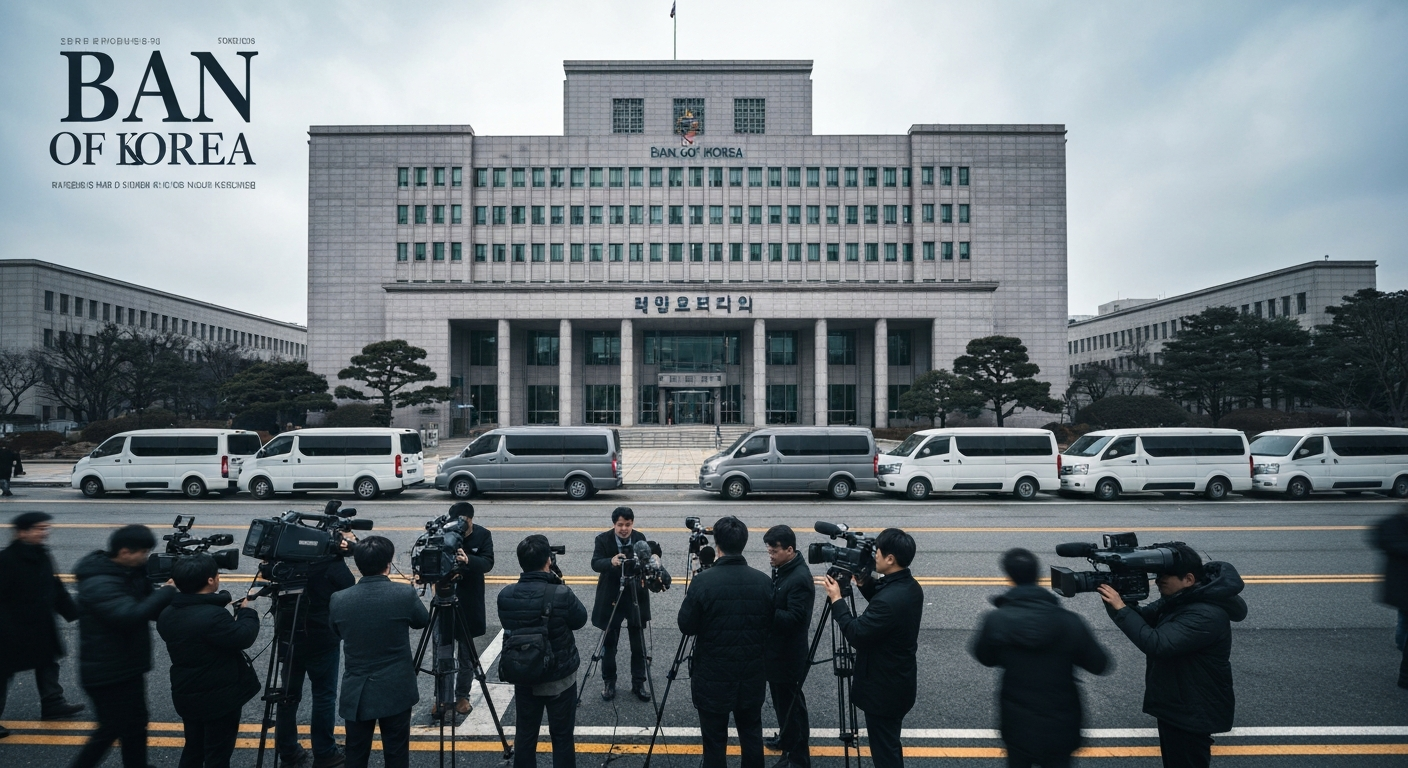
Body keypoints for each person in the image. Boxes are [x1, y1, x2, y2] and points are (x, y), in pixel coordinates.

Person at [1099, 544, 1247, 768]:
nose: (1158, 581)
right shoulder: (1183, 598)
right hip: (1178, 704)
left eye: (1165, 575)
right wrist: (1117, 597)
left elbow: (1157, 643)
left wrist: (1121, 608)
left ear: (1188, 578)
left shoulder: (1206, 614)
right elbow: (1141, 618)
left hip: (1192, 710)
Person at [971, 548, 1111, 768]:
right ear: (1038, 576)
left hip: (1017, 722)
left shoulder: (997, 620)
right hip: (1061, 723)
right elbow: (1100, 664)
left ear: (1009, 577)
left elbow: (985, 657)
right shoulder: (1069, 622)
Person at [69, 524, 178, 768]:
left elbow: (150, 610)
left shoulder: (128, 572)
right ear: (125, 552)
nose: (146, 557)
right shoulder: (98, 582)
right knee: (110, 729)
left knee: (137, 722)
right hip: (106, 672)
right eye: (143, 552)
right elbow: (128, 616)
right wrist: (166, 592)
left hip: (127, 665)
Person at [821, 528, 923, 768]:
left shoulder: (890, 600)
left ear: (890, 559)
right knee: (889, 743)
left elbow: (857, 633)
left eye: (878, 551)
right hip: (899, 682)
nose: (874, 555)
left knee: (885, 751)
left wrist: (837, 600)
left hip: (884, 690)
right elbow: (883, 603)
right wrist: (864, 582)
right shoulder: (909, 586)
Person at [678, 516, 773, 768]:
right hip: (751, 674)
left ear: (717, 545)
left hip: (713, 676)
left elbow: (686, 626)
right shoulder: (764, 581)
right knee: (751, 733)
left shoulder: (704, 582)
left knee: (714, 740)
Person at [329, 536, 429, 768]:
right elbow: (422, 620)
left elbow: (336, 631)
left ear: (358, 565)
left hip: (358, 691)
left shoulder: (339, 599)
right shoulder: (403, 594)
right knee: (396, 753)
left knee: (356, 752)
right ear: (388, 563)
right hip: (396, 688)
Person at [157, 553, 262, 768]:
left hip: (187, 693)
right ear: (211, 580)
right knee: (218, 754)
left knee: (193, 748)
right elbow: (243, 636)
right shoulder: (213, 617)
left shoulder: (168, 612)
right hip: (219, 699)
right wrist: (247, 612)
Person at [497, 535, 588, 768]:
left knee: (526, 735)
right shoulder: (560, 593)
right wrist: (558, 582)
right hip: (560, 677)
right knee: (562, 736)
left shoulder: (505, 595)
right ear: (549, 560)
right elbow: (579, 619)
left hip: (524, 674)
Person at [275, 528, 357, 767]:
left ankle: (288, 750)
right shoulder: (330, 564)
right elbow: (349, 584)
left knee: (287, 696)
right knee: (324, 695)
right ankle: (324, 752)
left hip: (288, 635)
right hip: (322, 639)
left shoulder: (285, 559)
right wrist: (341, 552)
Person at [0, 512, 84, 739]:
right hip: (10, 628)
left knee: (48, 662)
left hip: (39, 624)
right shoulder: (6, 560)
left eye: (45, 528)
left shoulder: (41, 554)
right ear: (22, 532)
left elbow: (55, 587)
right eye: (39, 529)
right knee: (3, 673)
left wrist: (75, 614)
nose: (44, 532)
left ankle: (53, 704)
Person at [762, 524, 815, 768]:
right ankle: (786, 740)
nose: (770, 556)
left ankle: (798, 758)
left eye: (774, 551)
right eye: (769, 551)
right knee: (783, 704)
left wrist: (767, 610)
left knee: (792, 707)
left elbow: (796, 620)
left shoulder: (799, 579)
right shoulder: (784, 568)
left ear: (790, 550)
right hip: (777, 653)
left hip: (788, 655)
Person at [590, 506, 653, 701]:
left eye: (628, 524)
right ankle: (609, 683)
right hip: (612, 596)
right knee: (610, 645)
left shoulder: (640, 537)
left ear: (632, 524)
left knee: (638, 645)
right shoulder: (602, 539)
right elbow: (595, 563)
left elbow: (649, 557)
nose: (624, 529)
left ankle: (639, 683)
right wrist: (611, 561)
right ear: (614, 524)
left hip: (635, 595)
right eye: (620, 525)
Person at [439, 501, 494, 721]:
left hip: (468, 602)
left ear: (471, 519)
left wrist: (467, 559)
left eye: (465, 522)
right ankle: (442, 698)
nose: (462, 527)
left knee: (465, 655)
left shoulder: (483, 535)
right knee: (442, 654)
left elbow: (488, 563)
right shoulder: (443, 533)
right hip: (443, 598)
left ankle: (462, 696)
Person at [1371, 504, 1408, 689]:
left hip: (1399, 587)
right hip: (1403, 586)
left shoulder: (1394, 524)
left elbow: (1378, 536)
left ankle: (1401, 645)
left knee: (1403, 620)